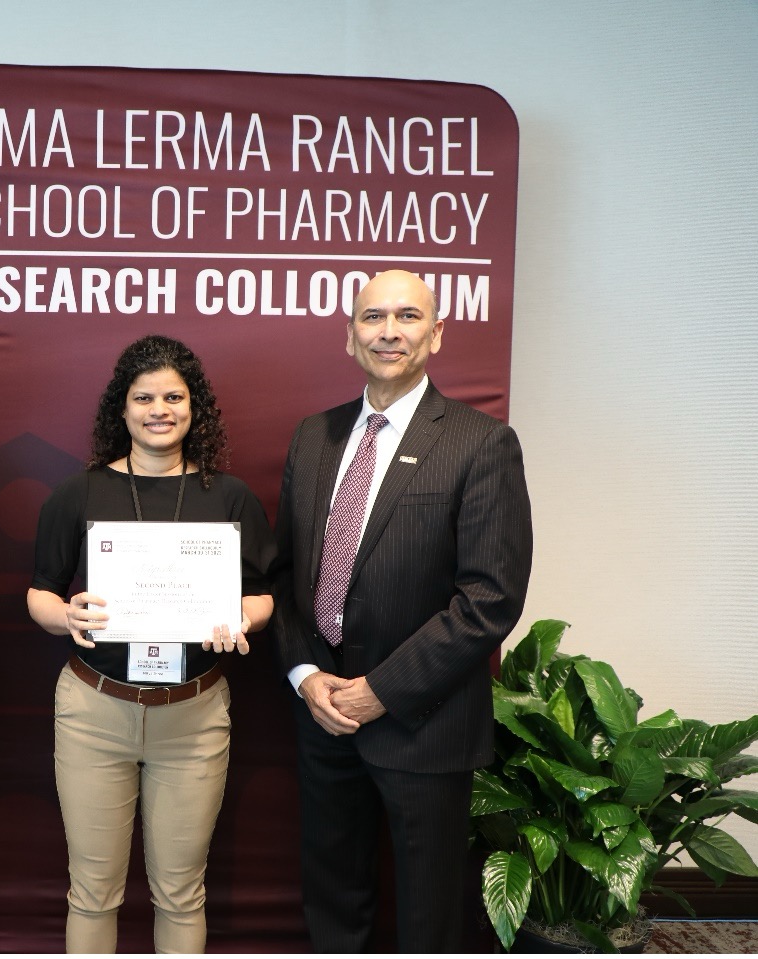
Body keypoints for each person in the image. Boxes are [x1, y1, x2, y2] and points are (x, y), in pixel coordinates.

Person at [272, 269, 533, 952]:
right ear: (349, 336)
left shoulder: (481, 443)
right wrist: (306, 673)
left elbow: (489, 600)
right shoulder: (312, 437)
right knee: (333, 899)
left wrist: (379, 692)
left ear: (436, 333)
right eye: (373, 317)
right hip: (324, 711)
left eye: (409, 316)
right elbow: (286, 576)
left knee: (429, 913)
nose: (390, 330)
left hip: (424, 720)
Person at [27, 334, 275, 953]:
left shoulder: (231, 496)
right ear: (123, 408)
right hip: (93, 712)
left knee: (182, 890)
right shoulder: (79, 492)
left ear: (195, 408)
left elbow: (264, 595)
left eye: (173, 396)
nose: (158, 409)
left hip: (192, 716)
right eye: (144, 397)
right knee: (91, 888)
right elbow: (40, 594)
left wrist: (241, 618)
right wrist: (68, 615)